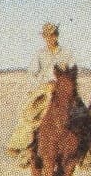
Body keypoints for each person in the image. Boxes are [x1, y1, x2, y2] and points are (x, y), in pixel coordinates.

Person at [6, 21, 70, 162]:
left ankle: (87, 150)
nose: (50, 39)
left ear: (57, 36)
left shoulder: (65, 53)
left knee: (80, 112)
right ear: (44, 38)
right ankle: (21, 146)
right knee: (29, 113)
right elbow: (32, 73)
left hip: (62, 91)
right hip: (45, 89)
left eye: (52, 35)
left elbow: (70, 72)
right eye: (47, 36)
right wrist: (43, 85)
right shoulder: (40, 54)